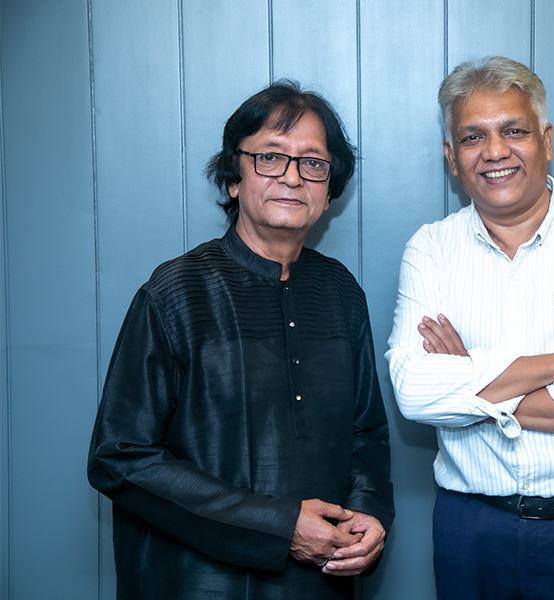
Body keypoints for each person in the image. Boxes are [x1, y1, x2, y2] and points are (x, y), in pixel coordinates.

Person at [88, 80, 394, 600]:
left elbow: (366, 434)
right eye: (270, 157)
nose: (292, 177)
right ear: (234, 178)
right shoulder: (175, 292)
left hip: (321, 582)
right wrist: (278, 525)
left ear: (328, 191)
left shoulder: (341, 292)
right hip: (193, 582)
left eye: (313, 163)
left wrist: (367, 513)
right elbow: (119, 456)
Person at [386, 56, 554, 599]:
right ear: (451, 157)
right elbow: (414, 392)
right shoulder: (430, 250)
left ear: (546, 140)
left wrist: (467, 379)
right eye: (472, 137)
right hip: (471, 534)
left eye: (514, 130)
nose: (494, 151)